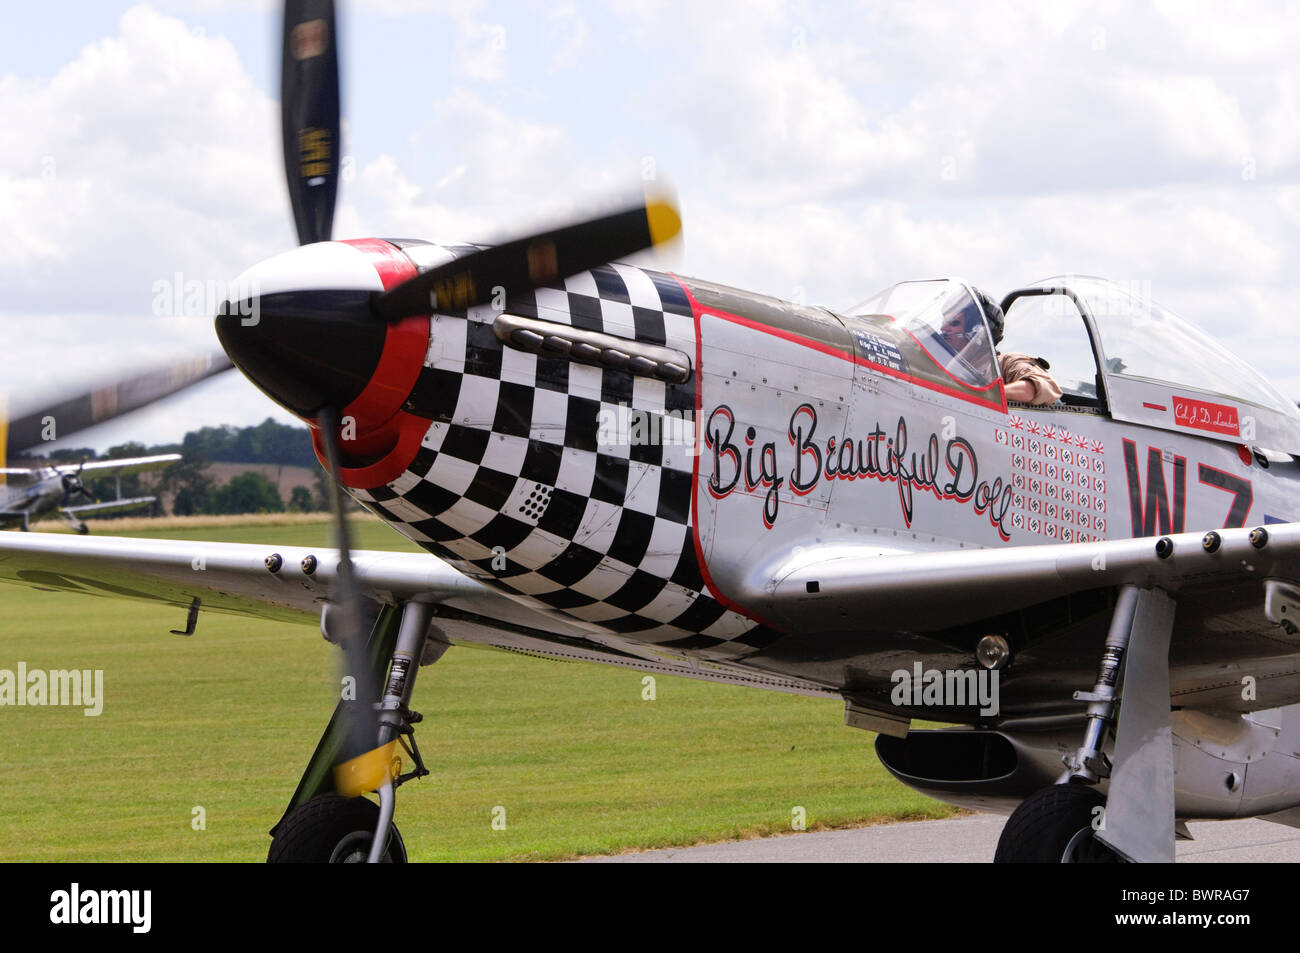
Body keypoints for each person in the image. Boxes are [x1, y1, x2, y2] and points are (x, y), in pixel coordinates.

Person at [973, 289, 1061, 405]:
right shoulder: (948, 364)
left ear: (977, 331)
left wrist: (981, 394)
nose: (944, 327)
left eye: (954, 323)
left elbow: (1040, 386)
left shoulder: (1006, 362)